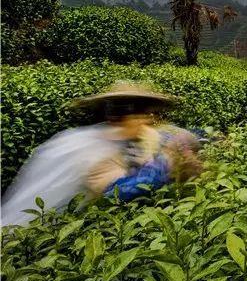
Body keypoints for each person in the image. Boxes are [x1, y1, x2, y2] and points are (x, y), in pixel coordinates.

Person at [2, 81, 202, 226]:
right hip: (36, 234)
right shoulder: (88, 150)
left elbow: (173, 136)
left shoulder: (125, 139)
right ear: (118, 118)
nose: (147, 121)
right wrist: (167, 162)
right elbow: (115, 192)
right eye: (138, 114)